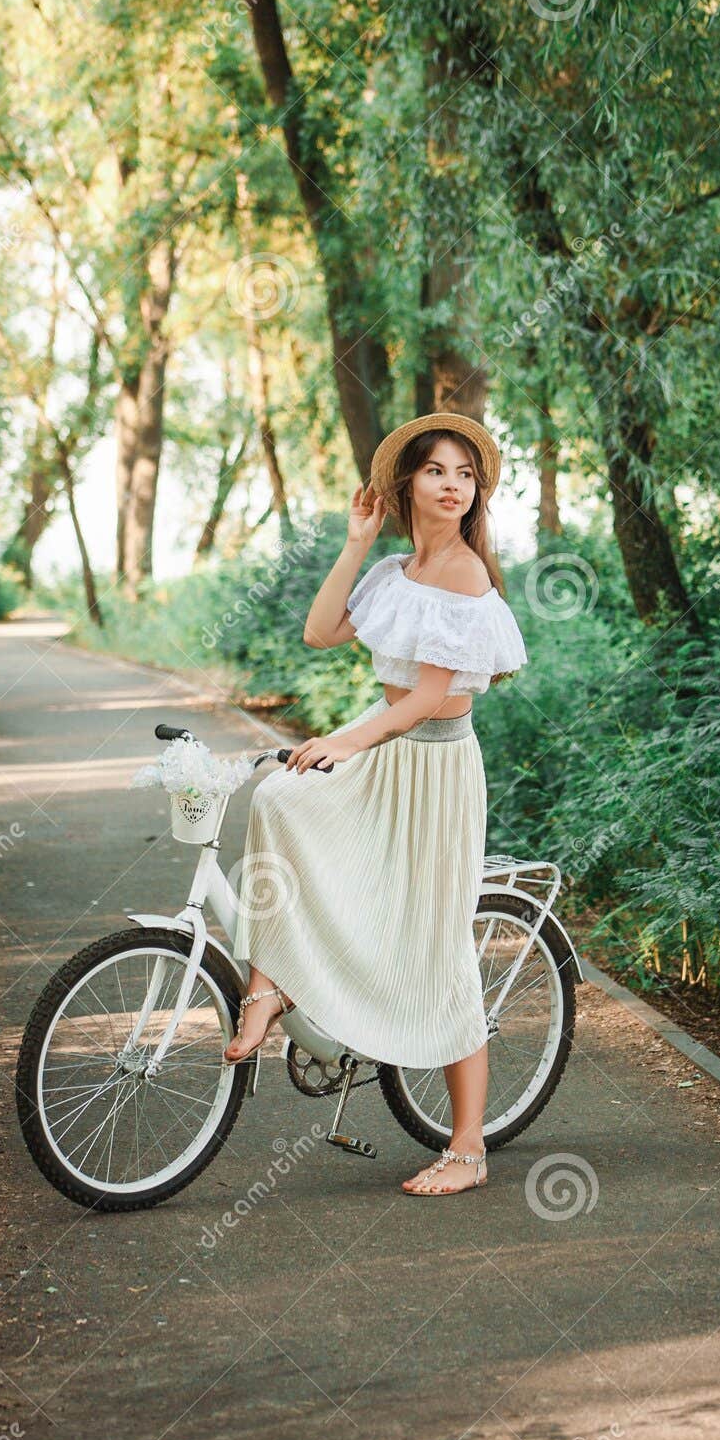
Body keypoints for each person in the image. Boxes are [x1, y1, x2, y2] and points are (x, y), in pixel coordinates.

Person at [226, 412, 528, 1197]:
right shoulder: (397, 569)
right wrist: (356, 542)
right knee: (279, 802)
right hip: (386, 747)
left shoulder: (464, 572)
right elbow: (320, 630)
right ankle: (270, 985)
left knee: (435, 945)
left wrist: (346, 740)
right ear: (405, 484)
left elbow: (428, 698)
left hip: (434, 768)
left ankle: (468, 1148)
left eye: (465, 474)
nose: (453, 486)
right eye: (436, 471)